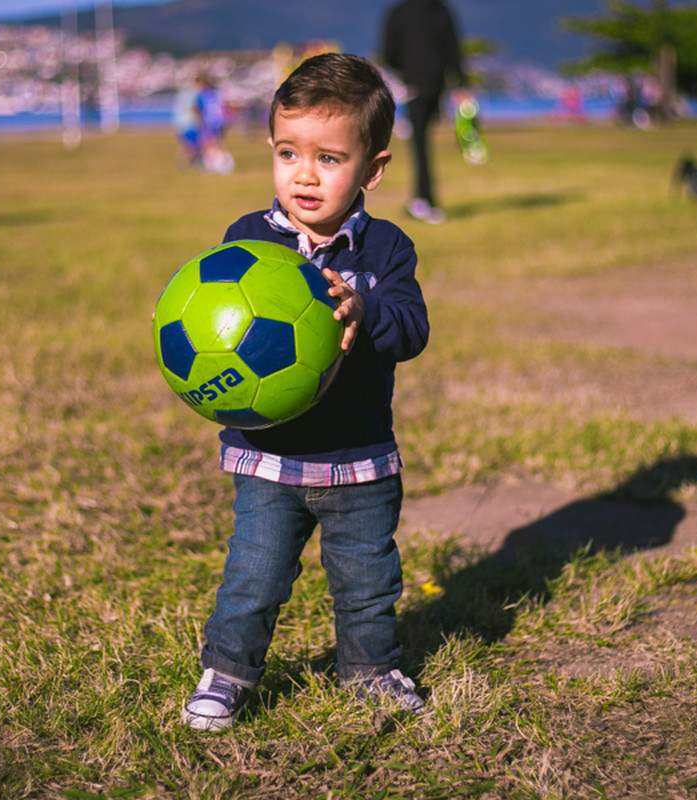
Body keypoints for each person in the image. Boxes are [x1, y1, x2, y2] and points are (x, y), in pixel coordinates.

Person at [180, 53, 430, 732]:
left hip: (359, 459)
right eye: (288, 153)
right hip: (270, 458)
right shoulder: (247, 243)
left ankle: (371, 671)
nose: (304, 174)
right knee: (253, 575)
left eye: (329, 158)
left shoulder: (386, 250)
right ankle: (227, 673)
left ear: (373, 169)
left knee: (368, 582)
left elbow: (412, 330)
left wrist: (364, 310)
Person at [382, 0, 466, 224]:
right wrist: (460, 83)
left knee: (419, 146)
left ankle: (424, 200)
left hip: (413, 86)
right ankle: (423, 199)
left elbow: (389, 52)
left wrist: (405, 71)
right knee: (423, 142)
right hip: (436, 85)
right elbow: (453, 48)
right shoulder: (441, 10)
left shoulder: (398, 12)